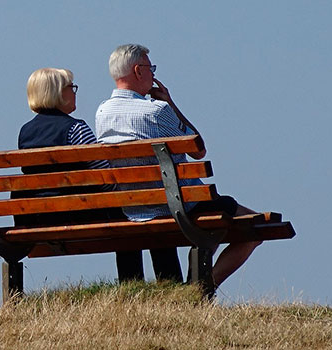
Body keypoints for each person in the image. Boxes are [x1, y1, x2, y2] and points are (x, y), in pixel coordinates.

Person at [95, 44, 262, 289]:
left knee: (213, 223)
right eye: (151, 68)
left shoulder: (102, 113)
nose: (154, 74)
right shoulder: (156, 110)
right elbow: (198, 150)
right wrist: (171, 103)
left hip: (130, 207)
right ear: (138, 71)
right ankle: (201, 288)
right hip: (175, 206)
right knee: (253, 226)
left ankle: (190, 285)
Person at [13, 67, 140, 281]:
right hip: (78, 213)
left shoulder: (25, 133)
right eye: (71, 87)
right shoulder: (76, 129)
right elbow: (105, 180)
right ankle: (132, 282)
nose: (75, 92)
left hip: (37, 216)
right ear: (57, 93)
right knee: (132, 215)